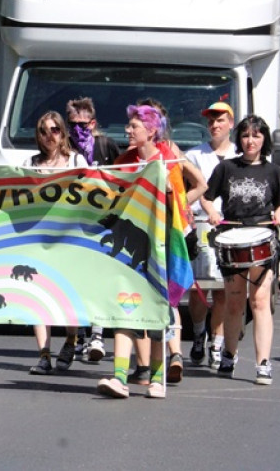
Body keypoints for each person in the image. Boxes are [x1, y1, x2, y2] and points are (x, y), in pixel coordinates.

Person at [96, 103, 206, 399]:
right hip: (129, 243)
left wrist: (179, 206)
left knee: (157, 310)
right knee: (124, 306)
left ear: (151, 131)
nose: (128, 131)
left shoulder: (167, 160)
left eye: (134, 127)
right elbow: (108, 192)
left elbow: (200, 185)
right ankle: (119, 377)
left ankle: (158, 378)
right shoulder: (126, 160)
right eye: (128, 126)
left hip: (162, 244)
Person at [202, 115, 280, 386]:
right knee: (234, 301)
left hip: (262, 238)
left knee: (260, 302)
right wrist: (212, 212)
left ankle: (263, 363)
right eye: (246, 135)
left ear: (265, 139)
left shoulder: (273, 171)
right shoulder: (226, 168)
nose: (251, 141)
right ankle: (229, 353)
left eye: (257, 136)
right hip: (231, 238)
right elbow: (206, 197)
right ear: (239, 138)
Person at [23, 112, 88, 375]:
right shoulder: (30, 162)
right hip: (39, 236)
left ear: (63, 132)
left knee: (66, 296)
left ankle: (71, 340)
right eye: (43, 131)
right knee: (39, 297)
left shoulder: (76, 160)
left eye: (54, 130)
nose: (49, 136)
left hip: (69, 236)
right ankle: (44, 354)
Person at [65, 96, 120, 362]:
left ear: (93, 123)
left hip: (101, 221)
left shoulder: (105, 145)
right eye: (72, 124)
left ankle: (97, 334)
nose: (77, 129)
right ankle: (78, 336)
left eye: (82, 124)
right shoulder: (65, 149)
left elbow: (124, 175)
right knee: (77, 281)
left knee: (98, 278)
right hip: (71, 224)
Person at [185, 101, 238, 371]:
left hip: (230, 228)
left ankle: (215, 343)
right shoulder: (194, 156)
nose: (215, 125)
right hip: (201, 225)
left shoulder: (240, 156)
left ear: (231, 123)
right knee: (199, 289)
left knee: (223, 291)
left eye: (220, 120)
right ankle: (197, 334)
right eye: (211, 121)